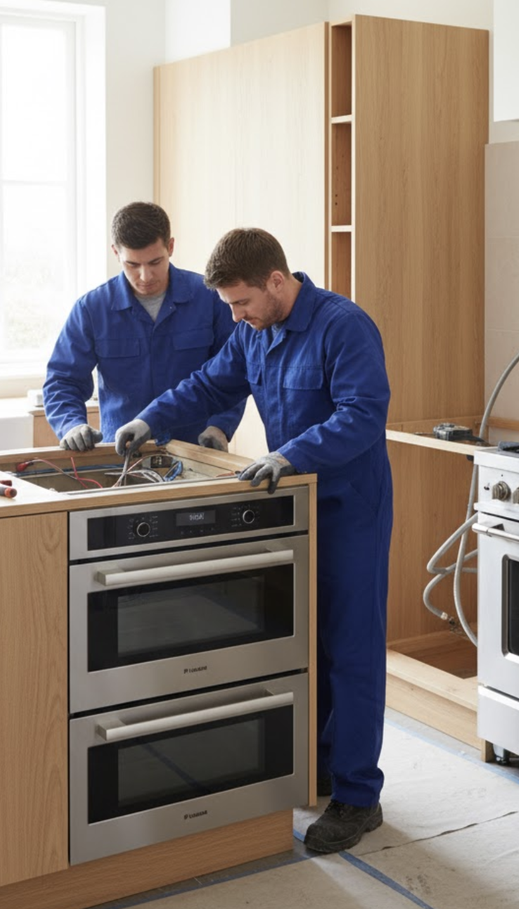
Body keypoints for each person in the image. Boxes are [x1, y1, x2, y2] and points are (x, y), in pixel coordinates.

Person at [114, 228, 393, 854]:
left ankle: (358, 795)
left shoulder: (344, 327)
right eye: (229, 307)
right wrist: (150, 417)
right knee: (305, 644)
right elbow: (209, 384)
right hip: (292, 505)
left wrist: (290, 455)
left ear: (276, 280)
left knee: (351, 650)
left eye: (241, 303)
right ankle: (321, 766)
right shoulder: (253, 332)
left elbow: (362, 415)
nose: (235, 316)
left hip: (351, 509)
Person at [43, 201, 245, 451]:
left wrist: (220, 426)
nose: (145, 276)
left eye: (155, 262)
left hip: (196, 449)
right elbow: (63, 381)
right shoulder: (91, 309)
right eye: (133, 265)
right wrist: (70, 424)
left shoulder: (211, 299)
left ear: (170, 247)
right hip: (123, 454)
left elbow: (233, 372)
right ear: (116, 253)